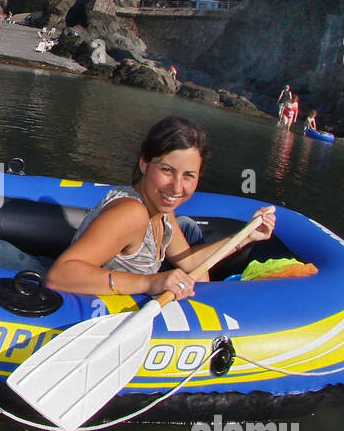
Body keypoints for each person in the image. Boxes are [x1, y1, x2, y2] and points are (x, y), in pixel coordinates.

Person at [45, 117, 276, 297]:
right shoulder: (131, 212)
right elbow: (60, 275)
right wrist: (150, 282)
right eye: (167, 170)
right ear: (144, 163)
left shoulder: (162, 211)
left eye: (188, 176)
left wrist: (246, 236)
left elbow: (190, 262)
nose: (177, 187)